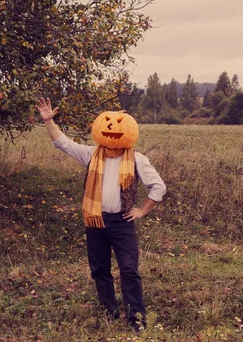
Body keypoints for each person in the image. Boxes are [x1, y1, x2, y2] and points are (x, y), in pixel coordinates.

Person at [36, 97, 166, 331]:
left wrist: (142, 210)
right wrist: (48, 122)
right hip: (95, 221)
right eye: (106, 122)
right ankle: (110, 311)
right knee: (99, 269)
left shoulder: (136, 159)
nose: (111, 127)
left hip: (122, 222)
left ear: (128, 129)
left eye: (117, 122)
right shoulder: (91, 155)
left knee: (129, 270)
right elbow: (63, 143)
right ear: (99, 128)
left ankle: (137, 319)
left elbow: (158, 187)